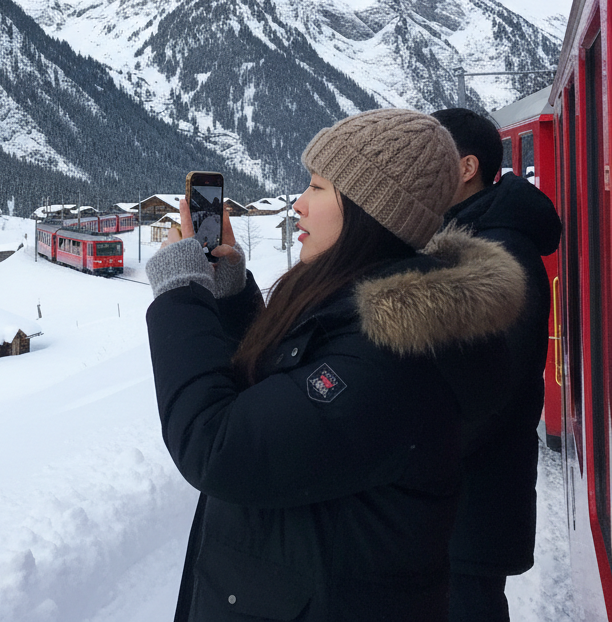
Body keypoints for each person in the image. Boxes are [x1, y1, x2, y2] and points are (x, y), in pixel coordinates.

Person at [145, 109, 527, 622]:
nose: (299, 204)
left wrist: (179, 295)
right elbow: (285, 388)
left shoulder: (393, 356)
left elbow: (218, 444)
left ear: (371, 209)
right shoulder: (364, 310)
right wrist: (230, 296)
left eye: (318, 187)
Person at [432, 107, 562, 622]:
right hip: (467, 494)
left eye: (430, 156)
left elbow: (490, 388)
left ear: (466, 168)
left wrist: (415, 454)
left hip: (471, 498)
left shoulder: (497, 251)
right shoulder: (472, 232)